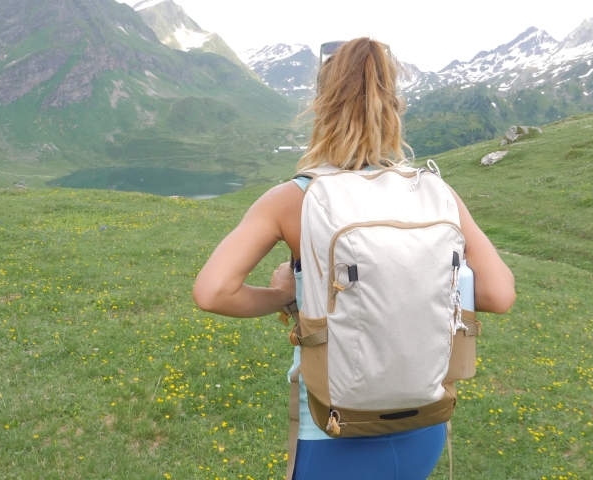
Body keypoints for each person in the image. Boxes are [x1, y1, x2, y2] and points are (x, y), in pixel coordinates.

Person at [193, 37, 515, 480]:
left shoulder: (293, 199)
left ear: (321, 104)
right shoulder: (438, 195)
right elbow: (499, 295)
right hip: (424, 419)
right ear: (395, 105)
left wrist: (282, 294)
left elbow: (213, 292)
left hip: (332, 429)